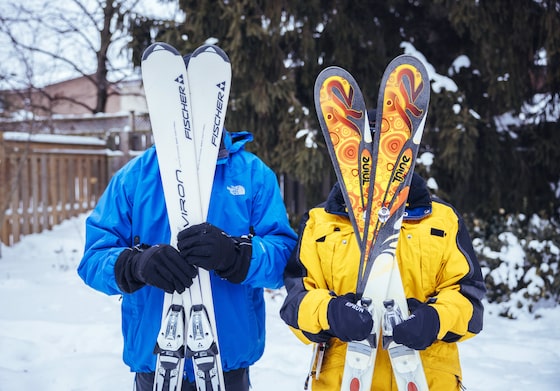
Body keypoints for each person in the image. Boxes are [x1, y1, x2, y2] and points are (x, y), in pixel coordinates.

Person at [77, 104, 297, 388]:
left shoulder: (253, 176)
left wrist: (237, 257)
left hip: (228, 361)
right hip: (155, 361)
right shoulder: (134, 179)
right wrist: (134, 265)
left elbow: (284, 259)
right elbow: (93, 258)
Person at [279, 113, 486, 391]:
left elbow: (470, 304)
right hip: (344, 378)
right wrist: (332, 313)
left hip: (427, 377)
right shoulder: (320, 222)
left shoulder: (442, 221)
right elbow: (295, 304)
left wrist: (434, 320)